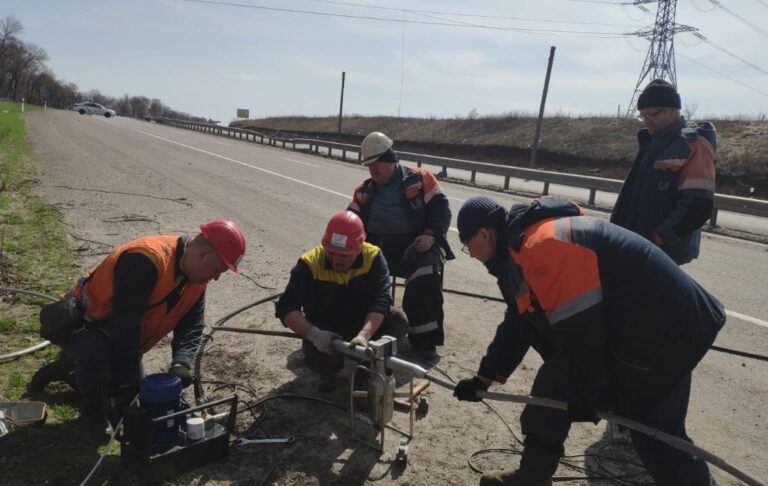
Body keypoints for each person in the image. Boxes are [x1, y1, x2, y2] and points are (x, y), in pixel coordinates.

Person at [453, 196, 725, 486]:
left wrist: (584, 390)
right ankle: (532, 477)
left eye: (467, 245)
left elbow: (580, 329)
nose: (470, 254)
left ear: (484, 234)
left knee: (656, 435)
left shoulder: (541, 247)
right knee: (553, 385)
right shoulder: (519, 250)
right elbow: (520, 322)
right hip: (639, 325)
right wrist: (484, 378)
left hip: (663, 331)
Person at [29, 219, 246, 435]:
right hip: (83, 325)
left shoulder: (196, 279)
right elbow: (125, 327)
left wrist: (182, 362)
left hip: (121, 336)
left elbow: (192, 325)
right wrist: (128, 387)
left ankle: (70, 370)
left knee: (136, 394)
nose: (216, 277)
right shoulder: (146, 259)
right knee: (108, 375)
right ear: (203, 255)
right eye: (217, 269)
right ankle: (92, 417)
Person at [348, 131, 454, 361]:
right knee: (350, 267)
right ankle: (363, 327)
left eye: (376, 163)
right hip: (377, 247)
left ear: (390, 159)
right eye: (368, 165)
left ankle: (424, 340)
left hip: (414, 246)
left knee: (427, 269)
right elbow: (351, 220)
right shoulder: (364, 191)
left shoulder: (420, 179)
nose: (372, 169)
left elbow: (441, 210)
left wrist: (430, 237)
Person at [275, 210, 407, 390]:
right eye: (331, 253)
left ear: (359, 248)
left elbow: (382, 300)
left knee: (397, 319)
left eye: (344, 255)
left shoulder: (373, 257)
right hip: (326, 326)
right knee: (321, 361)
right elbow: (287, 307)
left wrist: (365, 335)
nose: (336, 260)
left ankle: (368, 372)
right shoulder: (309, 263)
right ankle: (328, 373)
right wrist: (314, 335)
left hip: (362, 321)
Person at [611, 78, 717, 265]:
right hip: (636, 244)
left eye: (651, 115)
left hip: (660, 251)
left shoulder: (693, 145)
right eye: (642, 116)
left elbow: (698, 205)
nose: (646, 122)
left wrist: (659, 237)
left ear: (672, 110)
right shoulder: (652, 141)